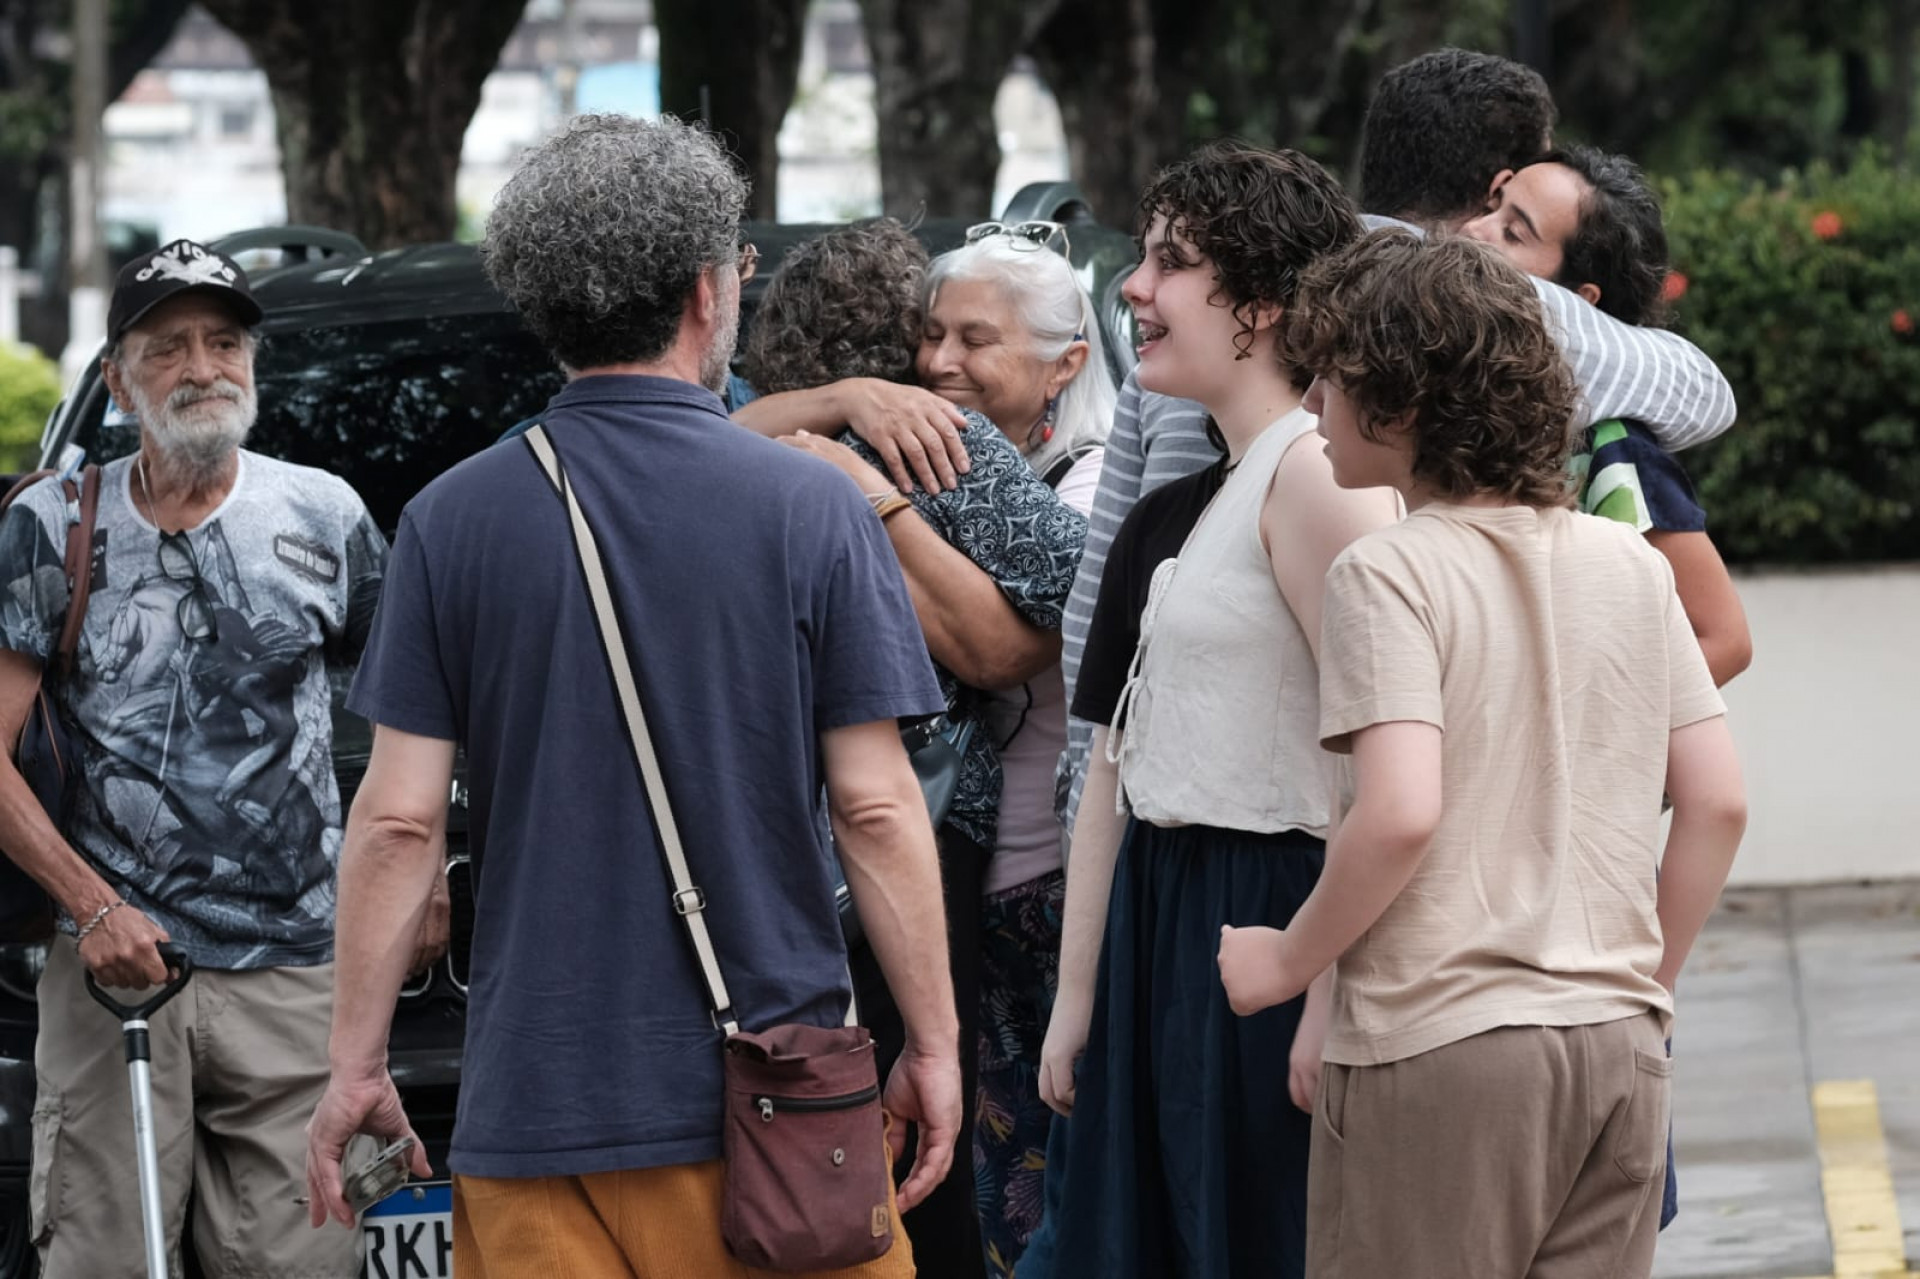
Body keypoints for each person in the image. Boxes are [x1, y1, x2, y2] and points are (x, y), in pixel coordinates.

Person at [303, 116, 962, 1278]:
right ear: (709, 293)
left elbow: (399, 820)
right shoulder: (812, 509)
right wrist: (937, 1042)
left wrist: (356, 1065)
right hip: (773, 1107)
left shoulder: (450, 523)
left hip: (529, 1111)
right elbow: (874, 807)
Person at [1218, 229, 1747, 1278]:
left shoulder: (1387, 572)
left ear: (1405, 404)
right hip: (1617, 1043)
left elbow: (1402, 809)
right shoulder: (1627, 565)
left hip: (1439, 1043)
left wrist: (1285, 958)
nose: (1312, 406)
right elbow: (1719, 801)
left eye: (1333, 378)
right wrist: (1645, 988)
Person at [1053, 46, 1741, 831]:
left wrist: (1084, 800)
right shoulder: (1459, 302)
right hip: (1305, 820)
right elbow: (1702, 392)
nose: (1325, 396)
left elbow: (1101, 587)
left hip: (1180, 793)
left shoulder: (1239, 297)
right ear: (1495, 183)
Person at [1026, 143, 1398, 1279]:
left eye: (1172, 264)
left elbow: (1387, 762)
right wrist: (1078, 994)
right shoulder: (1201, 497)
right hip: (1164, 908)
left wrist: (1325, 988)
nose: (1135, 288)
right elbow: (1116, 759)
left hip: (1266, 905)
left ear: (1265, 308)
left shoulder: (1318, 482)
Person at [0, 238, 400, 1277]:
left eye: (224, 342)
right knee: (105, 1261)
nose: (203, 368)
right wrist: (92, 906)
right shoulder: (51, 526)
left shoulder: (326, 513)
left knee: (303, 1263)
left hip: (303, 969)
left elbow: (411, 719)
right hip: (116, 977)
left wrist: (420, 863)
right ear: (118, 382)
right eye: (168, 347)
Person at [738, 217, 1104, 1279]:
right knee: (929, 1131)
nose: (942, 363)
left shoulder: (727, 458)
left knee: (811, 1121)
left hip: (763, 849)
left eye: (966, 339)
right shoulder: (952, 445)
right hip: (927, 848)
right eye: (930, 337)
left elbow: (1032, 626)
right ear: (896, 347)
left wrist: (853, 466)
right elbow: (1075, 591)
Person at [1461, 143, 1752, 685]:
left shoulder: (1613, 450)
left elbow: (1725, 641)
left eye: (1513, 232)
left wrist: (1579, 724)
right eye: (1492, 207)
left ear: (1579, 299)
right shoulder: (1458, 409)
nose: (1476, 229)